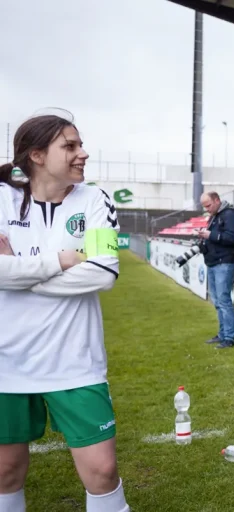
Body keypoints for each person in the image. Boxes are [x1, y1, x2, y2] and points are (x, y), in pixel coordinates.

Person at [0, 113, 130, 511]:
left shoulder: (95, 199)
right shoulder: (1, 197)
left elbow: (105, 272)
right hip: (6, 362)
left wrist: (17, 272)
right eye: (70, 146)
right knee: (5, 471)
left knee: (103, 471)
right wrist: (62, 260)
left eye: (79, 144)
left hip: (76, 360)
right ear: (37, 155)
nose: (82, 153)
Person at [196, 191, 234, 349]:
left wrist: (211, 235)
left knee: (223, 300)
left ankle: (230, 337)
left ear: (217, 200)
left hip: (224, 262)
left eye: (208, 205)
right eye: (204, 206)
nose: (207, 209)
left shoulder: (229, 215)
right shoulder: (215, 216)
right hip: (214, 262)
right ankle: (223, 334)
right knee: (217, 301)